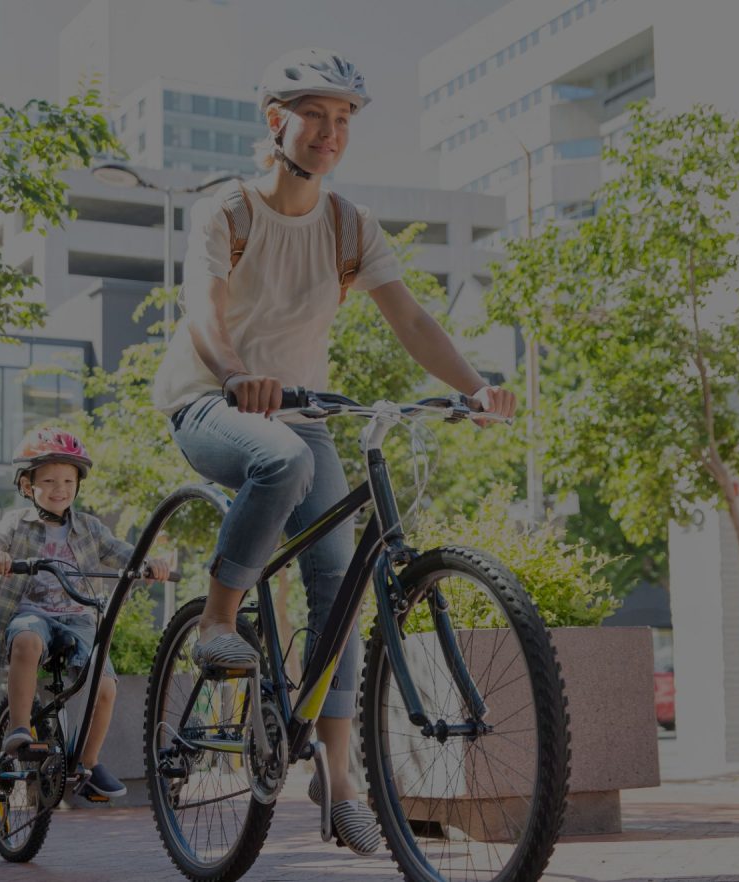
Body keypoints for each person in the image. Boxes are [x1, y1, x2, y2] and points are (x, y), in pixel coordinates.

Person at [151, 48, 517, 855]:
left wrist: (475, 386)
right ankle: (217, 618)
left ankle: (339, 777)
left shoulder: (350, 225)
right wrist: (241, 372)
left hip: (304, 411)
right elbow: (207, 308)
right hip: (214, 398)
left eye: (344, 119)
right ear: (275, 120)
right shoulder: (229, 211)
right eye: (315, 114)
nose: (330, 132)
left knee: (342, 586)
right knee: (279, 460)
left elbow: (412, 320)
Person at [0, 427, 169, 800]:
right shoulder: (16, 523)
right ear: (27, 485)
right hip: (33, 612)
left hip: (79, 618)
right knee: (26, 640)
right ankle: (19, 730)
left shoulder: (90, 527)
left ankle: (86, 766)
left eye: (67, 479)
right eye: (48, 480)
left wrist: (148, 564)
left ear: (78, 483)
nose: (59, 488)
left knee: (105, 686)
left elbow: (123, 552)